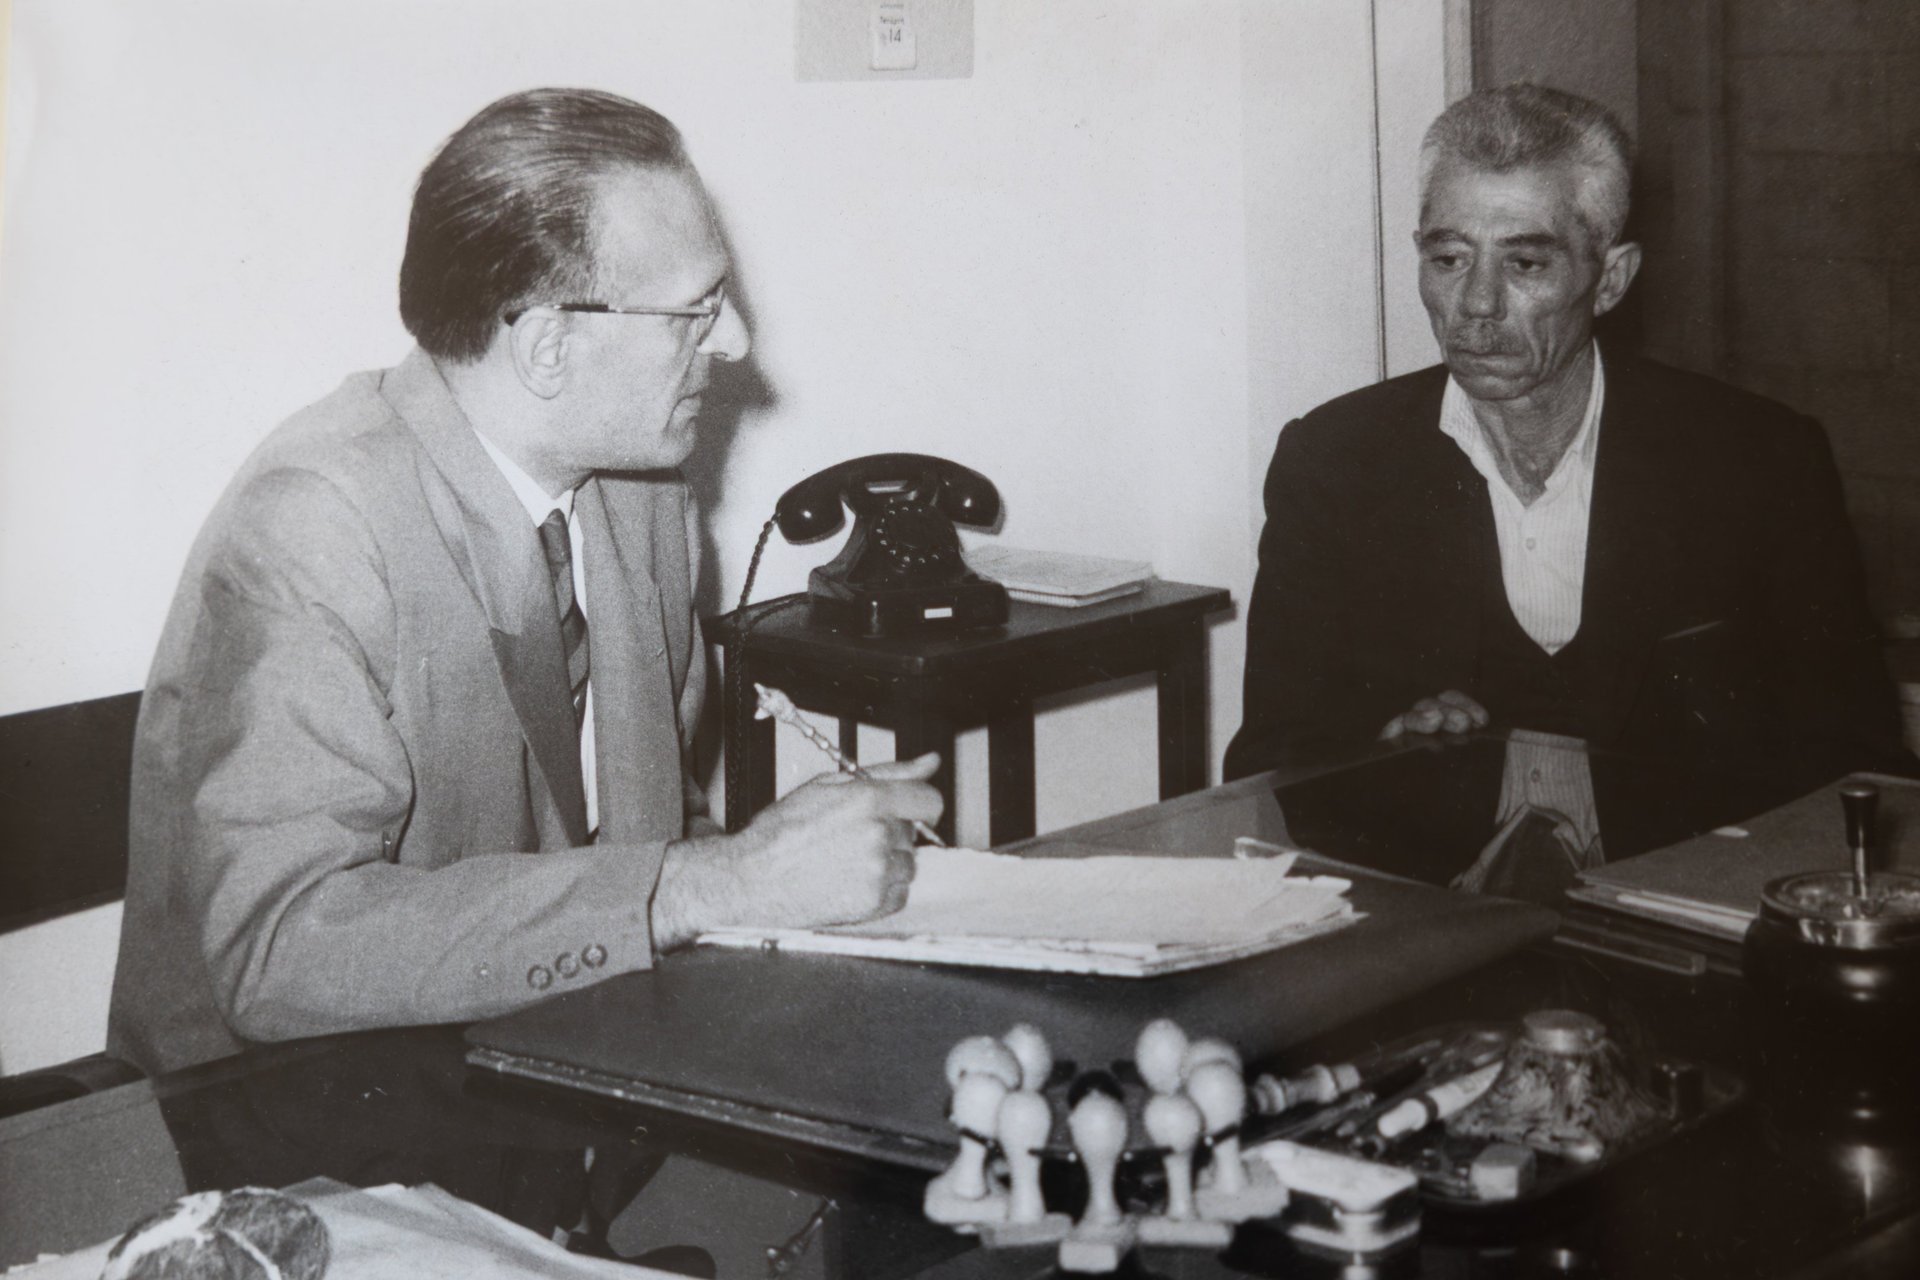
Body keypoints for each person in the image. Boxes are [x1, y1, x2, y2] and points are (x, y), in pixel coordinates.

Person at [108, 89, 942, 1077]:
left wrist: (783, 875)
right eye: (697, 310)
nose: (734, 344)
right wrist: (709, 885)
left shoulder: (641, 495)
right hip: (297, 1108)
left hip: (550, 1056)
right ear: (547, 345)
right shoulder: (317, 524)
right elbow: (279, 949)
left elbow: (648, 828)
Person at [1226, 83, 1908, 781]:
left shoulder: (1758, 458)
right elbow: (1270, 758)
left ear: (1611, 279)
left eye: (1525, 264)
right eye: (1449, 258)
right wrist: (1380, 750)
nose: (1477, 303)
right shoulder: (1335, 460)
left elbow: (1861, 764)